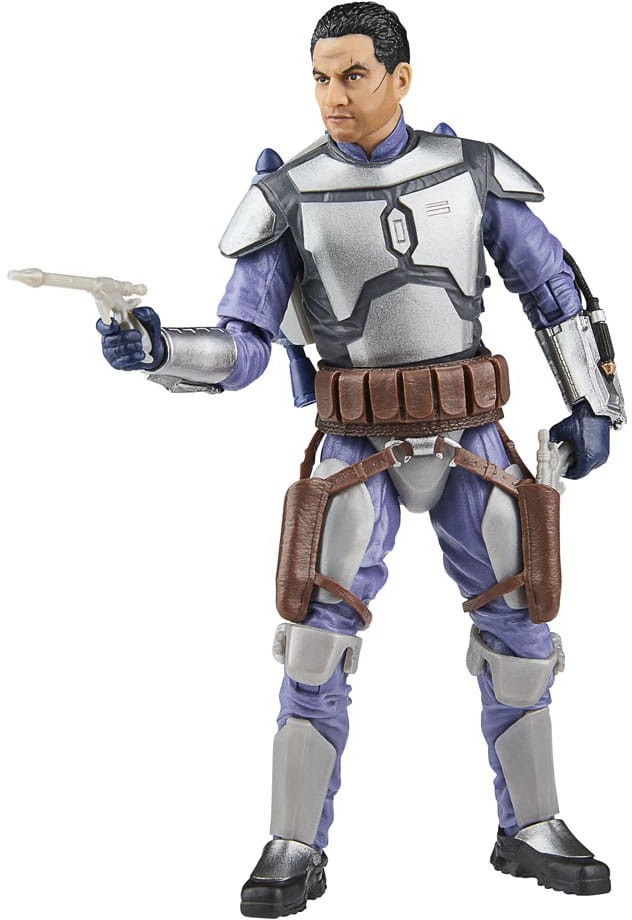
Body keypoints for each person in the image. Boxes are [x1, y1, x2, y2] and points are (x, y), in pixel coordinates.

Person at [98, 3, 624, 915]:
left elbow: (553, 286)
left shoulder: (470, 170)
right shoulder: (288, 196)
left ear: (400, 77)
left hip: (473, 435)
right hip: (354, 445)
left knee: (522, 634)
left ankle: (532, 826)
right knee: (314, 644)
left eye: (352, 75)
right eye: (319, 76)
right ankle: (294, 846)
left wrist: (595, 404)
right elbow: (245, 342)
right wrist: (159, 349)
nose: (333, 96)